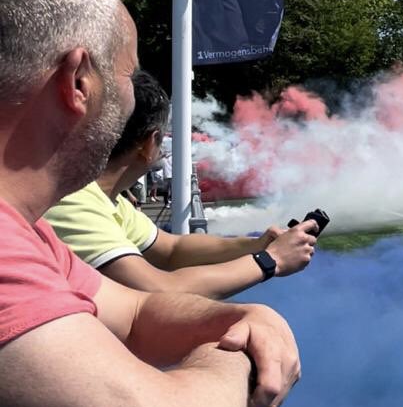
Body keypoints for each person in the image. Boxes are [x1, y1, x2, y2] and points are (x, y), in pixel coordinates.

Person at [0, 0, 313, 407]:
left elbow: (134, 311)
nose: (134, 92)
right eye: (129, 71)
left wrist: (249, 315)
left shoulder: (28, 230)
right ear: (79, 81)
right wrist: (234, 347)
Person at [46, 70, 318, 299]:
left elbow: (172, 250)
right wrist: (271, 261)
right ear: (150, 142)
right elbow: (161, 291)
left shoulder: (101, 197)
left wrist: (257, 245)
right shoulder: (74, 200)